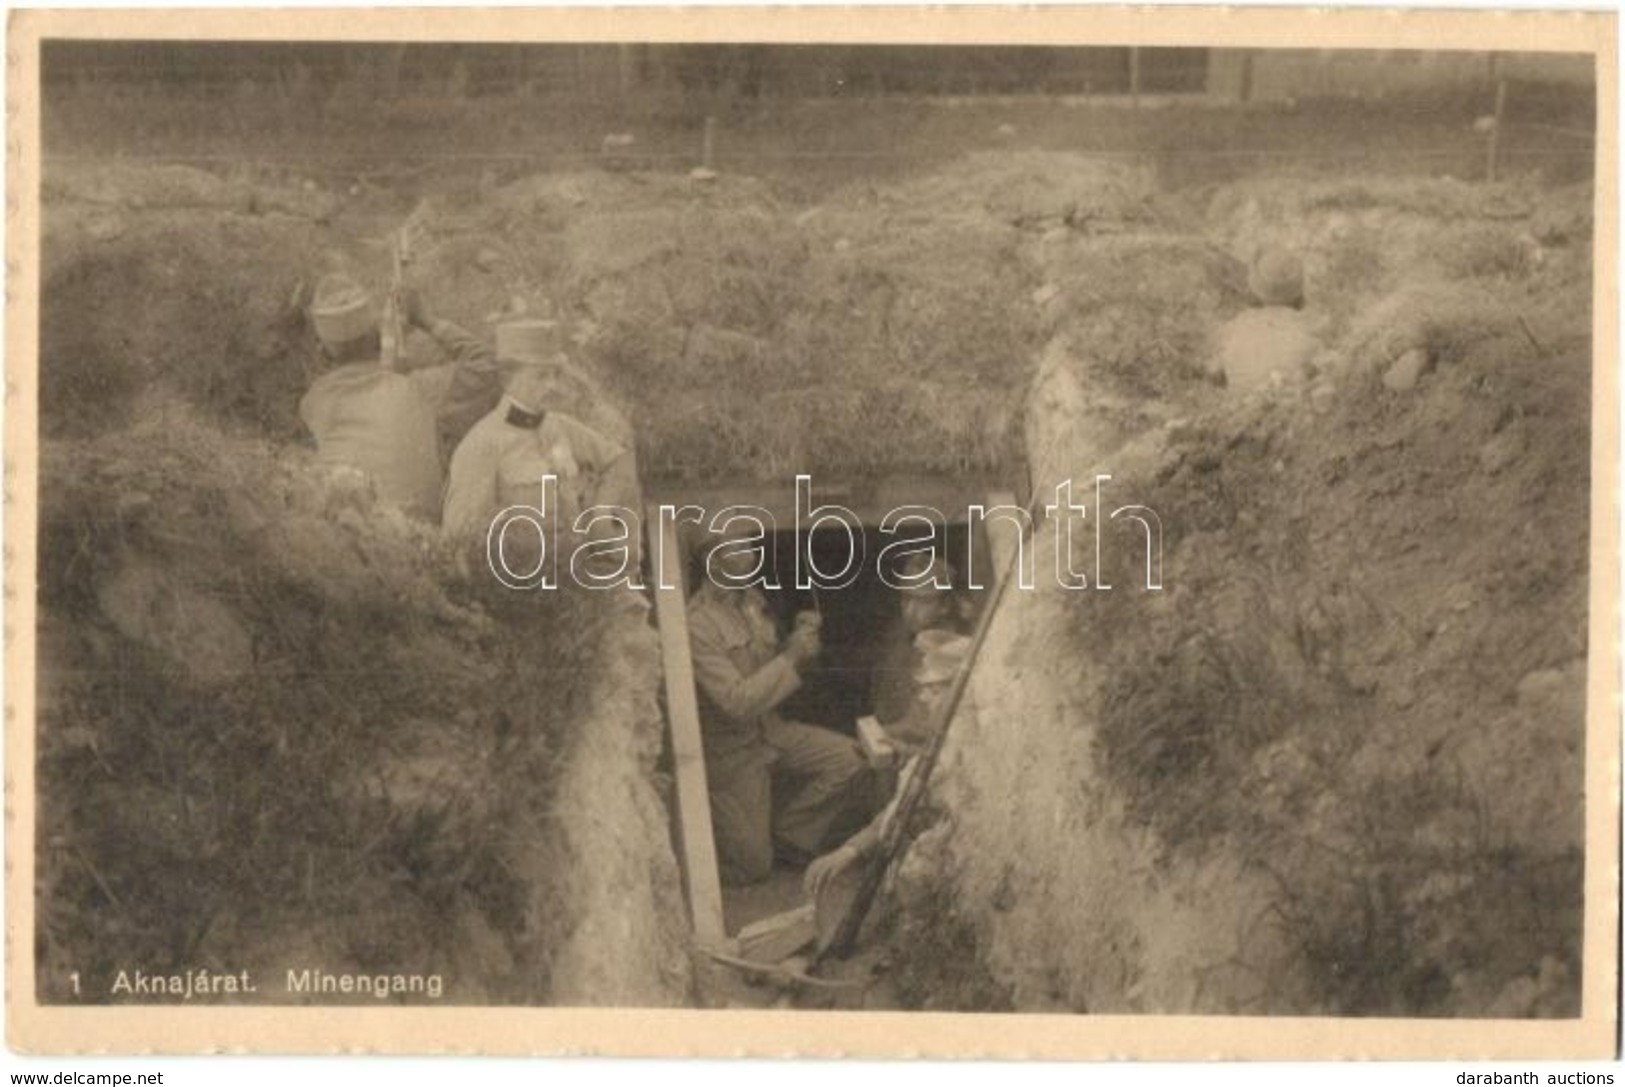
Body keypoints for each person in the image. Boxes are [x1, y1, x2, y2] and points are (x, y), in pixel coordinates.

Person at [687, 524, 880, 886]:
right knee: (752, 867)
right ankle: (725, 826)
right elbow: (737, 701)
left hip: (771, 731)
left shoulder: (752, 601)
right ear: (712, 561)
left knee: (851, 760)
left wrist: (798, 642)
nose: (749, 554)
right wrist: (791, 657)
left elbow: (769, 663)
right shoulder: (697, 625)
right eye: (737, 548)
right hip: (734, 752)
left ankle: (790, 836)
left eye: (748, 544)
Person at [299, 273, 501, 521]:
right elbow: (486, 363)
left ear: (323, 349)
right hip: (418, 538)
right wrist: (427, 320)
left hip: (351, 532)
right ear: (376, 335)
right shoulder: (421, 389)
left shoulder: (314, 401)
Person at [440, 321, 636, 549]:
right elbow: (458, 536)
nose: (552, 385)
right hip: (522, 577)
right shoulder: (482, 445)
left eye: (555, 375)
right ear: (507, 380)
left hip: (577, 568)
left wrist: (602, 510)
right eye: (541, 376)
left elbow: (619, 459)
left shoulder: (559, 425)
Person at [803, 638, 969, 898]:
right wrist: (903, 754)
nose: (923, 698)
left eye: (935, 691)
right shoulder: (954, 733)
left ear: (962, 695)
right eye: (924, 689)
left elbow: (907, 805)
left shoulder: (960, 745)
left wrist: (850, 851)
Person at [1209, 247, 1320, 395]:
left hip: (1241, 411)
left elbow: (1214, 372)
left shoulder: (1232, 328)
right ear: (1299, 291)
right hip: (1294, 409)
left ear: (1255, 288)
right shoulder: (1311, 328)